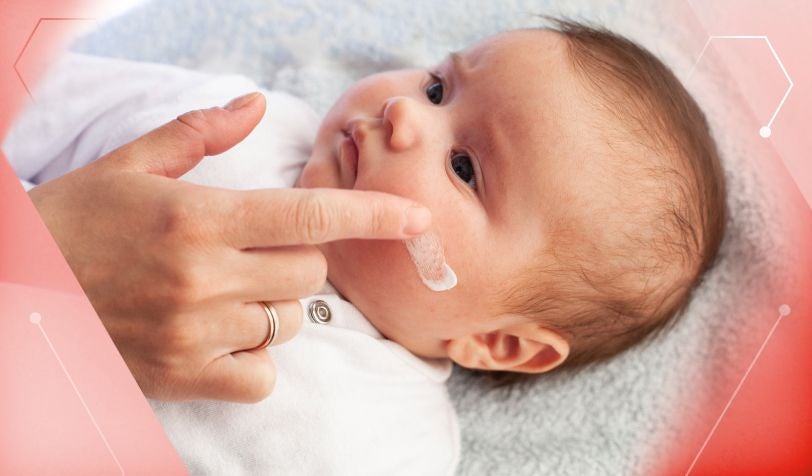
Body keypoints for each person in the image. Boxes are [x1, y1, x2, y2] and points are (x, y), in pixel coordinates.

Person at [5, 20, 726, 474]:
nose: (404, 112)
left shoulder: (395, 448)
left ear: (501, 344)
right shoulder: (236, 126)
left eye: (465, 168)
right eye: (440, 86)